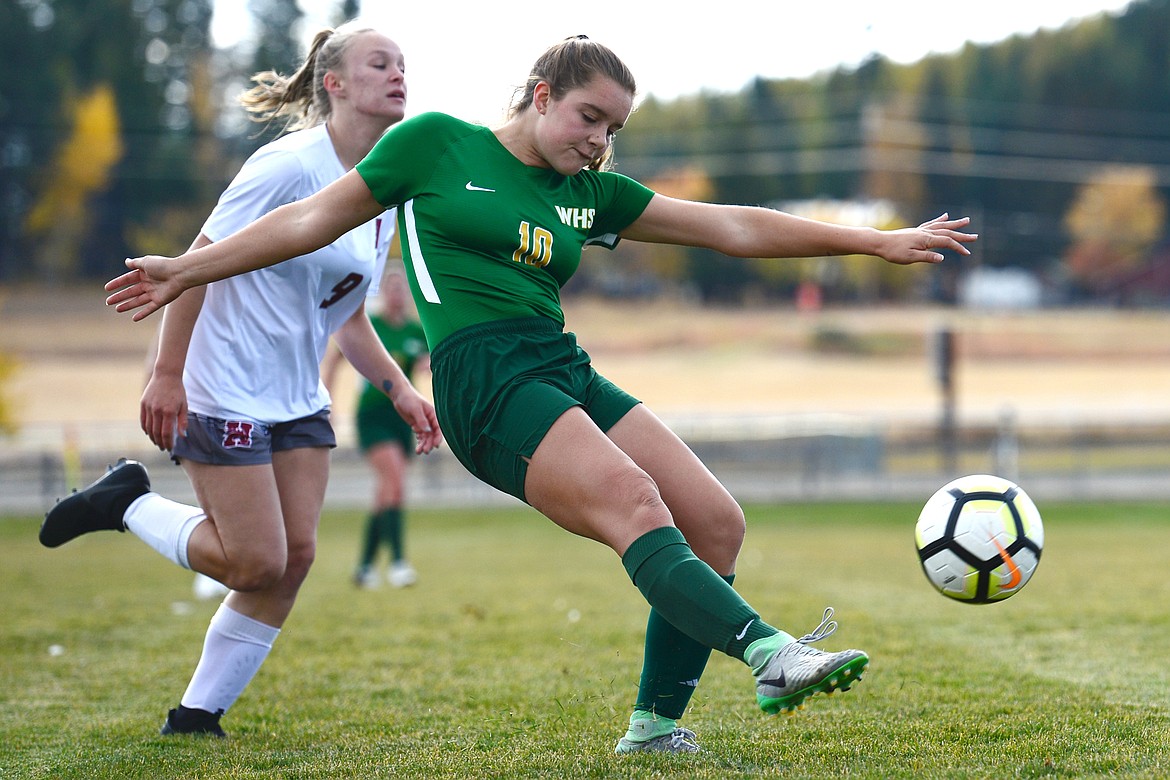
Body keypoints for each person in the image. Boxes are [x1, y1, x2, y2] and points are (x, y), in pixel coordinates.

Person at [103, 36, 978, 753]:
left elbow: (731, 227)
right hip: (485, 384)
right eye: (588, 116)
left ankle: (653, 729)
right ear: (539, 94)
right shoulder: (436, 144)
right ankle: (768, 652)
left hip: (561, 369)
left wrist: (875, 241)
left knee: (715, 522)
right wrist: (185, 271)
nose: (598, 141)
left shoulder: (588, 194)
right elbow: (303, 222)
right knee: (636, 503)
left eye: (614, 128)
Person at [40, 22, 440, 738]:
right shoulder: (288, 165)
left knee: (296, 558)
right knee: (255, 560)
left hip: (297, 398)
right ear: (335, 83)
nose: (398, 73)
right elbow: (195, 262)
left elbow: (348, 317)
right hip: (219, 382)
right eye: (380, 63)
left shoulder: (382, 191)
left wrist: (400, 390)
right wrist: (166, 374)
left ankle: (197, 716)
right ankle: (127, 503)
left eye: (403, 63)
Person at [322, 265, 429, 589]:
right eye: (392, 288)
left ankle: (365, 568)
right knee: (393, 480)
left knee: (389, 491)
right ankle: (398, 563)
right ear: (383, 293)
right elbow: (335, 357)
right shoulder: (371, 326)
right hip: (372, 415)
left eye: (402, 288)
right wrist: (326, 401)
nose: (398, 294)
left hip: (402, 419)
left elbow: (427, 363)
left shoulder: (414, 331)